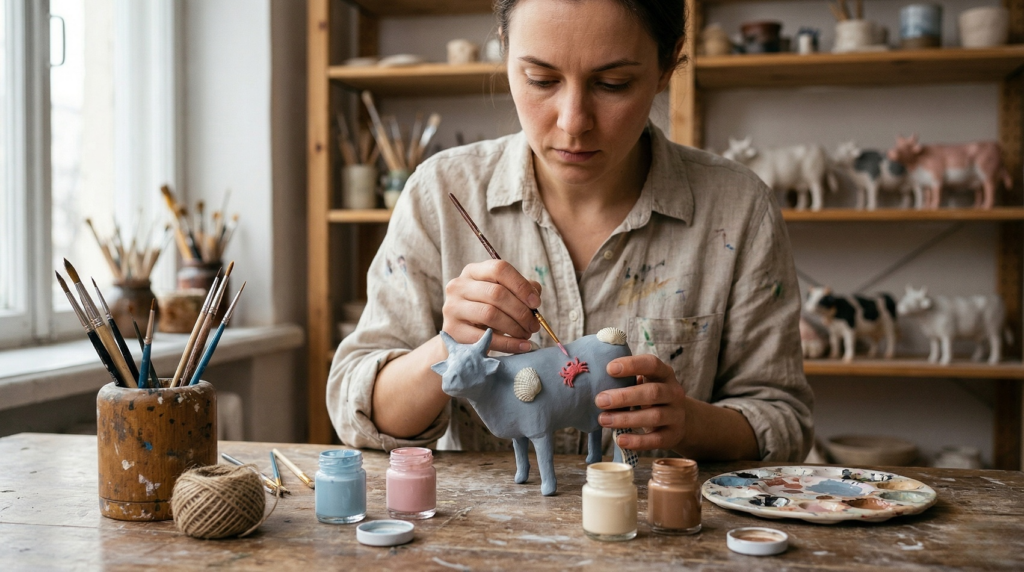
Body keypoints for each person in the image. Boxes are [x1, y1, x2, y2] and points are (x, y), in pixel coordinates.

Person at [328, 0, 813, 462]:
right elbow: (358, 413)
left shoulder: (738, 208)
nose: (573, 121)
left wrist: (689, 422)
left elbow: (784, 422)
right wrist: (450, 347)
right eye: (541, 79)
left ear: (666, 67)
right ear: (503, 48)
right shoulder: (440, 193)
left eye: (614, 83)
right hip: (482, 542)